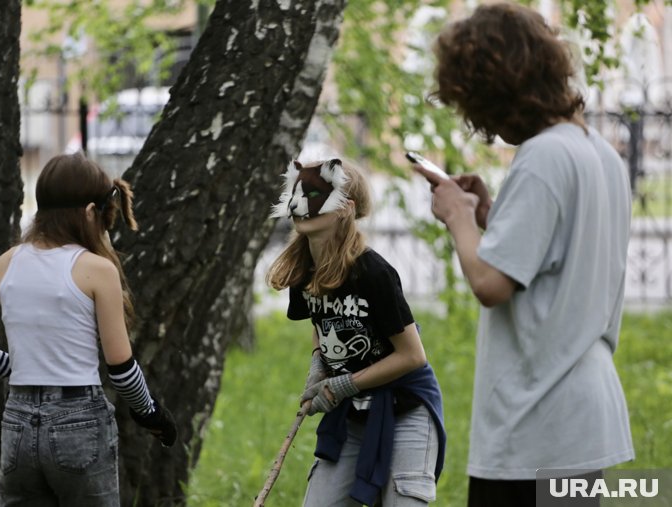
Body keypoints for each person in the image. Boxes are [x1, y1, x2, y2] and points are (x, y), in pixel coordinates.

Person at [411, 3, 634, 506]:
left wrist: (459, 217)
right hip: (582, 419)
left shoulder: (543, 157)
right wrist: (491, 212)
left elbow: (491, 283)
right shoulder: (596, 150)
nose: (481, 125)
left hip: (535, 425)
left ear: (500, 93)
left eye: (477, 108)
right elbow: (556, 254)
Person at [0, 152, 177, 506]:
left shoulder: (9, 261)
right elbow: (121, 367)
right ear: (89, 212)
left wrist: (21, 368)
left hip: (17, 425)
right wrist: (151, 413)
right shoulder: (97, 269)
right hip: (78, 422)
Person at [267, 158, 446, 507]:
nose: (302, 204)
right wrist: (320, 364)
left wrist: (344, 383)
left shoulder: (373, 271)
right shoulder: (304, 269)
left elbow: (412, 356)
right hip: (351, 413)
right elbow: (322, 325)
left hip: (405, 407)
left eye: (317, 195)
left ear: (344, 209)